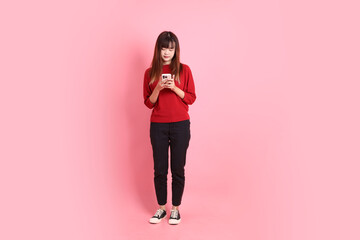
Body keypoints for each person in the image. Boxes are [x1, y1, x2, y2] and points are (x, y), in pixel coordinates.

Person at [143, 31, 196, 225]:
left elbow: (191, 98)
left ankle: (175, 209)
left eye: (171, 49)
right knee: (159, 169)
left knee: (178, 169)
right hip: (158, 125)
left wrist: (173, 87)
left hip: (181, 125)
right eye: (164, 48)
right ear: (158, 49)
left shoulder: (185, 70)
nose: (167, 52)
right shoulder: (150, 72)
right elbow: (149, 103)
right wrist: (158, 88)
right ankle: (161, 209)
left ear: (176, 50)